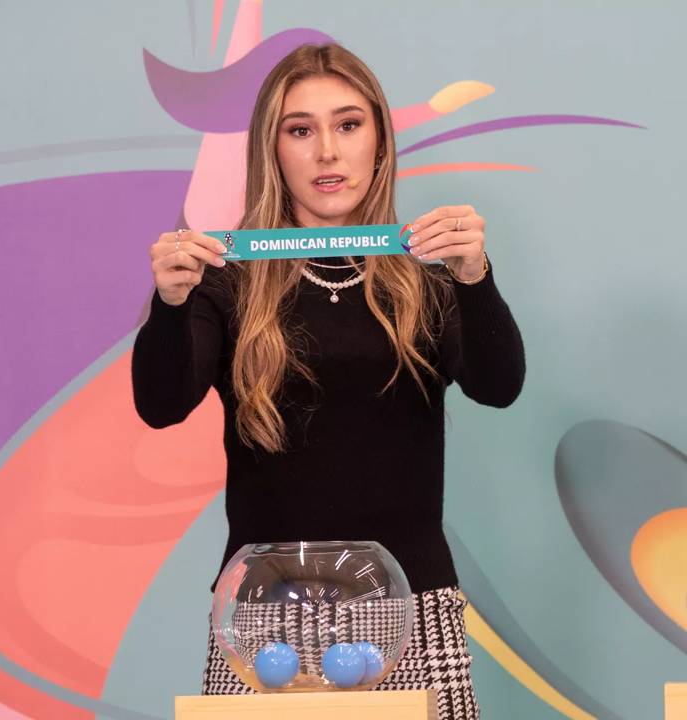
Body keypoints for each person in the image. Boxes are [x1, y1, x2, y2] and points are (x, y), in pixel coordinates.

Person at [131, 42, 525, 719]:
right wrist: (169, 306)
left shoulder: (428, 286)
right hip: (263, 617)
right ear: (272, 149)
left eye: (348, 125)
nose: (327, 152)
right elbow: (161, 405)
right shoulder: (224, 286)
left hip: (411, 613)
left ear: (379, 140)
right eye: (300, 130)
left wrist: (475, 279)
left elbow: (499, 384)